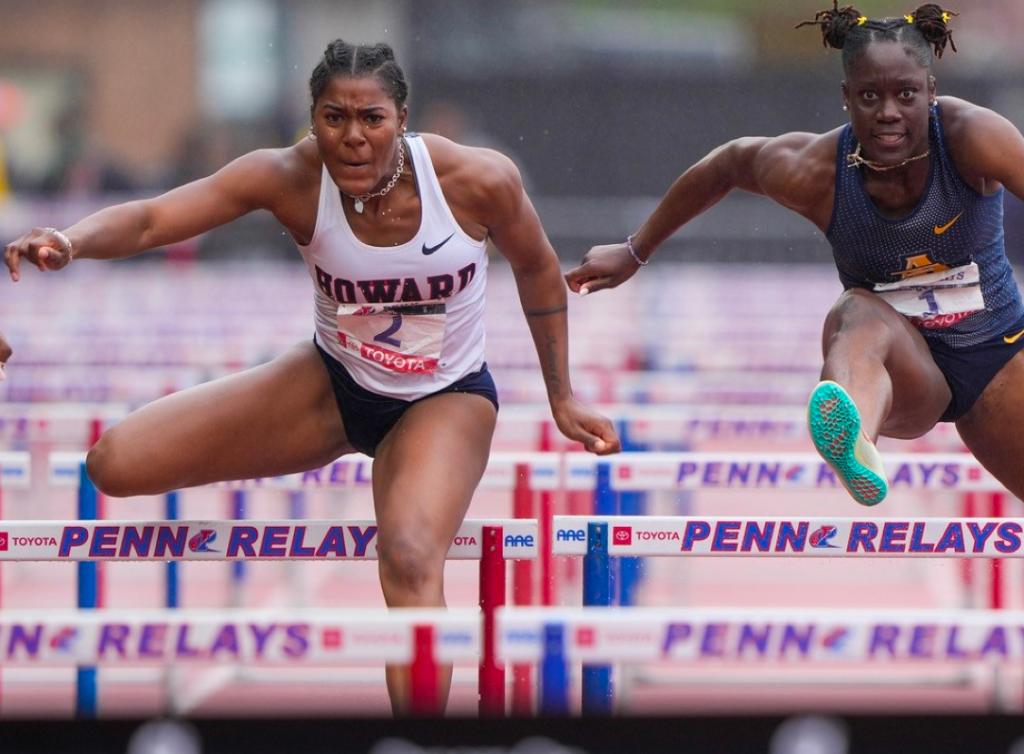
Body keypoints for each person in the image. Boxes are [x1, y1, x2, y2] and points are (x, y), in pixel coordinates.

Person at [4, 40, 620, 714]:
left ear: (403, 118)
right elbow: (156, 216)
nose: (353, 139)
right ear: (312, 119)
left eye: (372, 119)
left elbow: (536, 265)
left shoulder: (478, 179)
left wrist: (561, 393)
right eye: (334, 118)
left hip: (442, 399)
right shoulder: (287, 176)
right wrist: (72, 240)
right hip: (330, 385)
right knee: (114, 464)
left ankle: (416, 733)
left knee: (412, 555)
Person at [566, 3, 1024, 508]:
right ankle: (856, 442)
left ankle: (855, 433)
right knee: (856, 312)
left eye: (906, 95)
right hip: (903, 371)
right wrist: (635, 250)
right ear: (847, 98)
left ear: (931, 93)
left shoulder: (973, 136)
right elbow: (728, 164)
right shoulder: (815, 172)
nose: (888, 112)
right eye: (870, 96)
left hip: (996, 356)